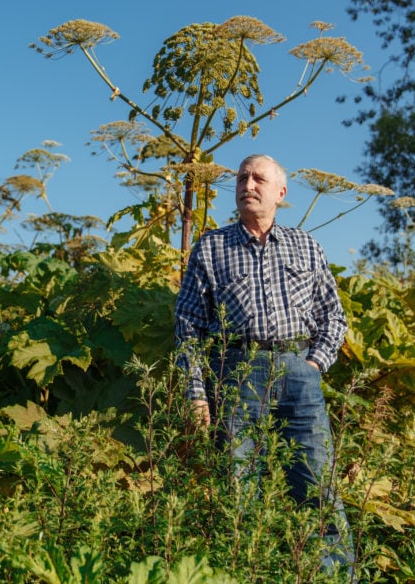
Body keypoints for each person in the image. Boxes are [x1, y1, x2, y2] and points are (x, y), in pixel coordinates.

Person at [174, 153, 355, 577]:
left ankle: (333, 576)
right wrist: (197, 393)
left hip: (299, 373)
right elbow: (187, 327)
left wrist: (313, 364)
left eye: (258, 179)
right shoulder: (212, 246)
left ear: (280, 193)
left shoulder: (306, 245)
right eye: (242, 177)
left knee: (316, 484)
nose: (248, 185)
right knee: (239, 488)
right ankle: (249, 572)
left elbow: (334, 317)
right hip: (237, 373)